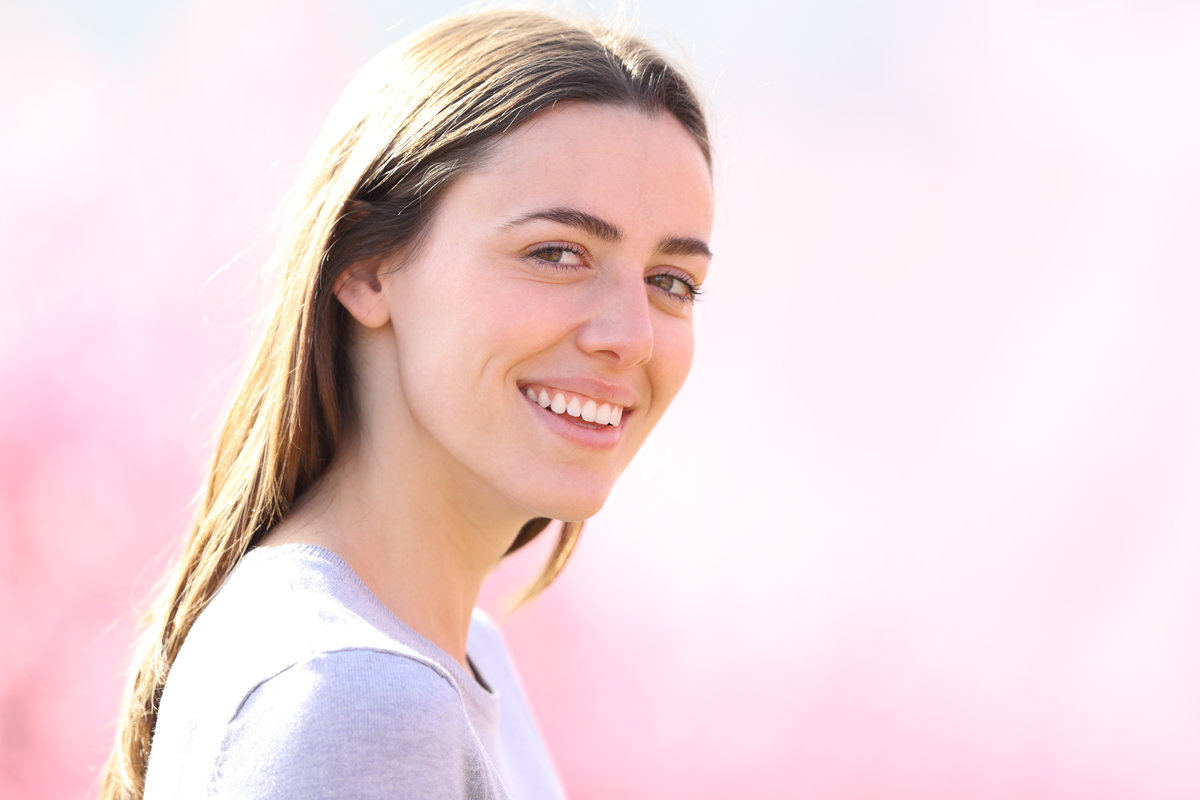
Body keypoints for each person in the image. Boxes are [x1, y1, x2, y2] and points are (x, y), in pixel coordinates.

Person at [100, 8, 713, 799]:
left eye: (672, 281)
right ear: (366, 269)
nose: (631, 336)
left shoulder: (455, 658)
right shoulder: (358, 693)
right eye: (557, 253)